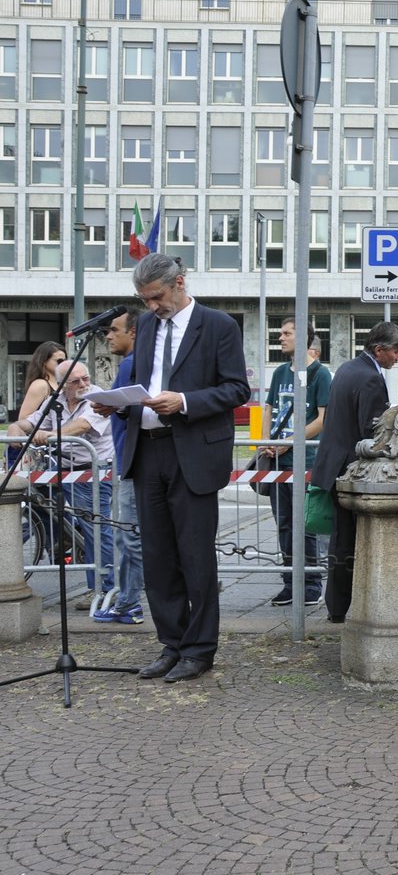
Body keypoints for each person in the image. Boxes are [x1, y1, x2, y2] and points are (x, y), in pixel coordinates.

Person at [119, 254, 250, 682]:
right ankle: (171, 644)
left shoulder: (218, 326)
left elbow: (236, 389)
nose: (152, 306)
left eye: (156, 296)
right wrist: (116, 405)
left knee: (195, 557)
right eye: (144, 299)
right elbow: (143, 383)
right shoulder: (147, 329)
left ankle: (199, 649)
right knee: (157, 557)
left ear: (179, 282)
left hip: (192, 451)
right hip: (148, 450)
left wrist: (186, 402)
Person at [312, 322, 398, 625]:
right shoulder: (369, 380)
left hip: (334, 465)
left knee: (341, 539)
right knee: (348, 542)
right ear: (379, 350)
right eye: (395, 351)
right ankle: (342, 607)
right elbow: (371, 432)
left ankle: (337, 606)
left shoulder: (348, 369)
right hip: (352, 469)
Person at [10, 361, 117, 611]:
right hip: (60, 469)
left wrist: (49, 434)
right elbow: (30, 422)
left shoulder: (96, 399)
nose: (83, 384)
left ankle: (105, 588)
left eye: (85, 378)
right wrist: (16, 428)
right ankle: (61, 538)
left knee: (96, 529)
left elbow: (81, 427)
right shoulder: (55, 402)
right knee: (37, 506)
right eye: (76, 381)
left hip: (90, 472)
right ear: (62, 385)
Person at [263, 319, 330, 605]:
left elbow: (323, 419)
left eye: (286, 333)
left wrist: (288, 442)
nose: (281, 338)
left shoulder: (320, 374)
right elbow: (268, 407)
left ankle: (311, 584)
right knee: (284, 524)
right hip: (277, 463)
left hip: (305, 463)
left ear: (303, 337)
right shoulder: (279, 372)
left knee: (305, 525)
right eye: (281, 333)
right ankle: (290, 581)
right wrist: (266, 440)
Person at [99, 309, 144, 623]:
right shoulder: (132, 363)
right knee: (125, 535)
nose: (108, 335)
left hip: (129, 460)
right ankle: (128, 600)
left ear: (133, 332)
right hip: (126, 458)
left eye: (114, 330)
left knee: (128, 535)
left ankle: (132, 601)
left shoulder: (131, 363)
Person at [16, 341, 66, 425]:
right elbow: (23, 418)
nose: (63, 364)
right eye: (59, 361)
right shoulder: (40, 385)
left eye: (65, 361)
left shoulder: (61, 382)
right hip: (43, 435)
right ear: (44, 362)